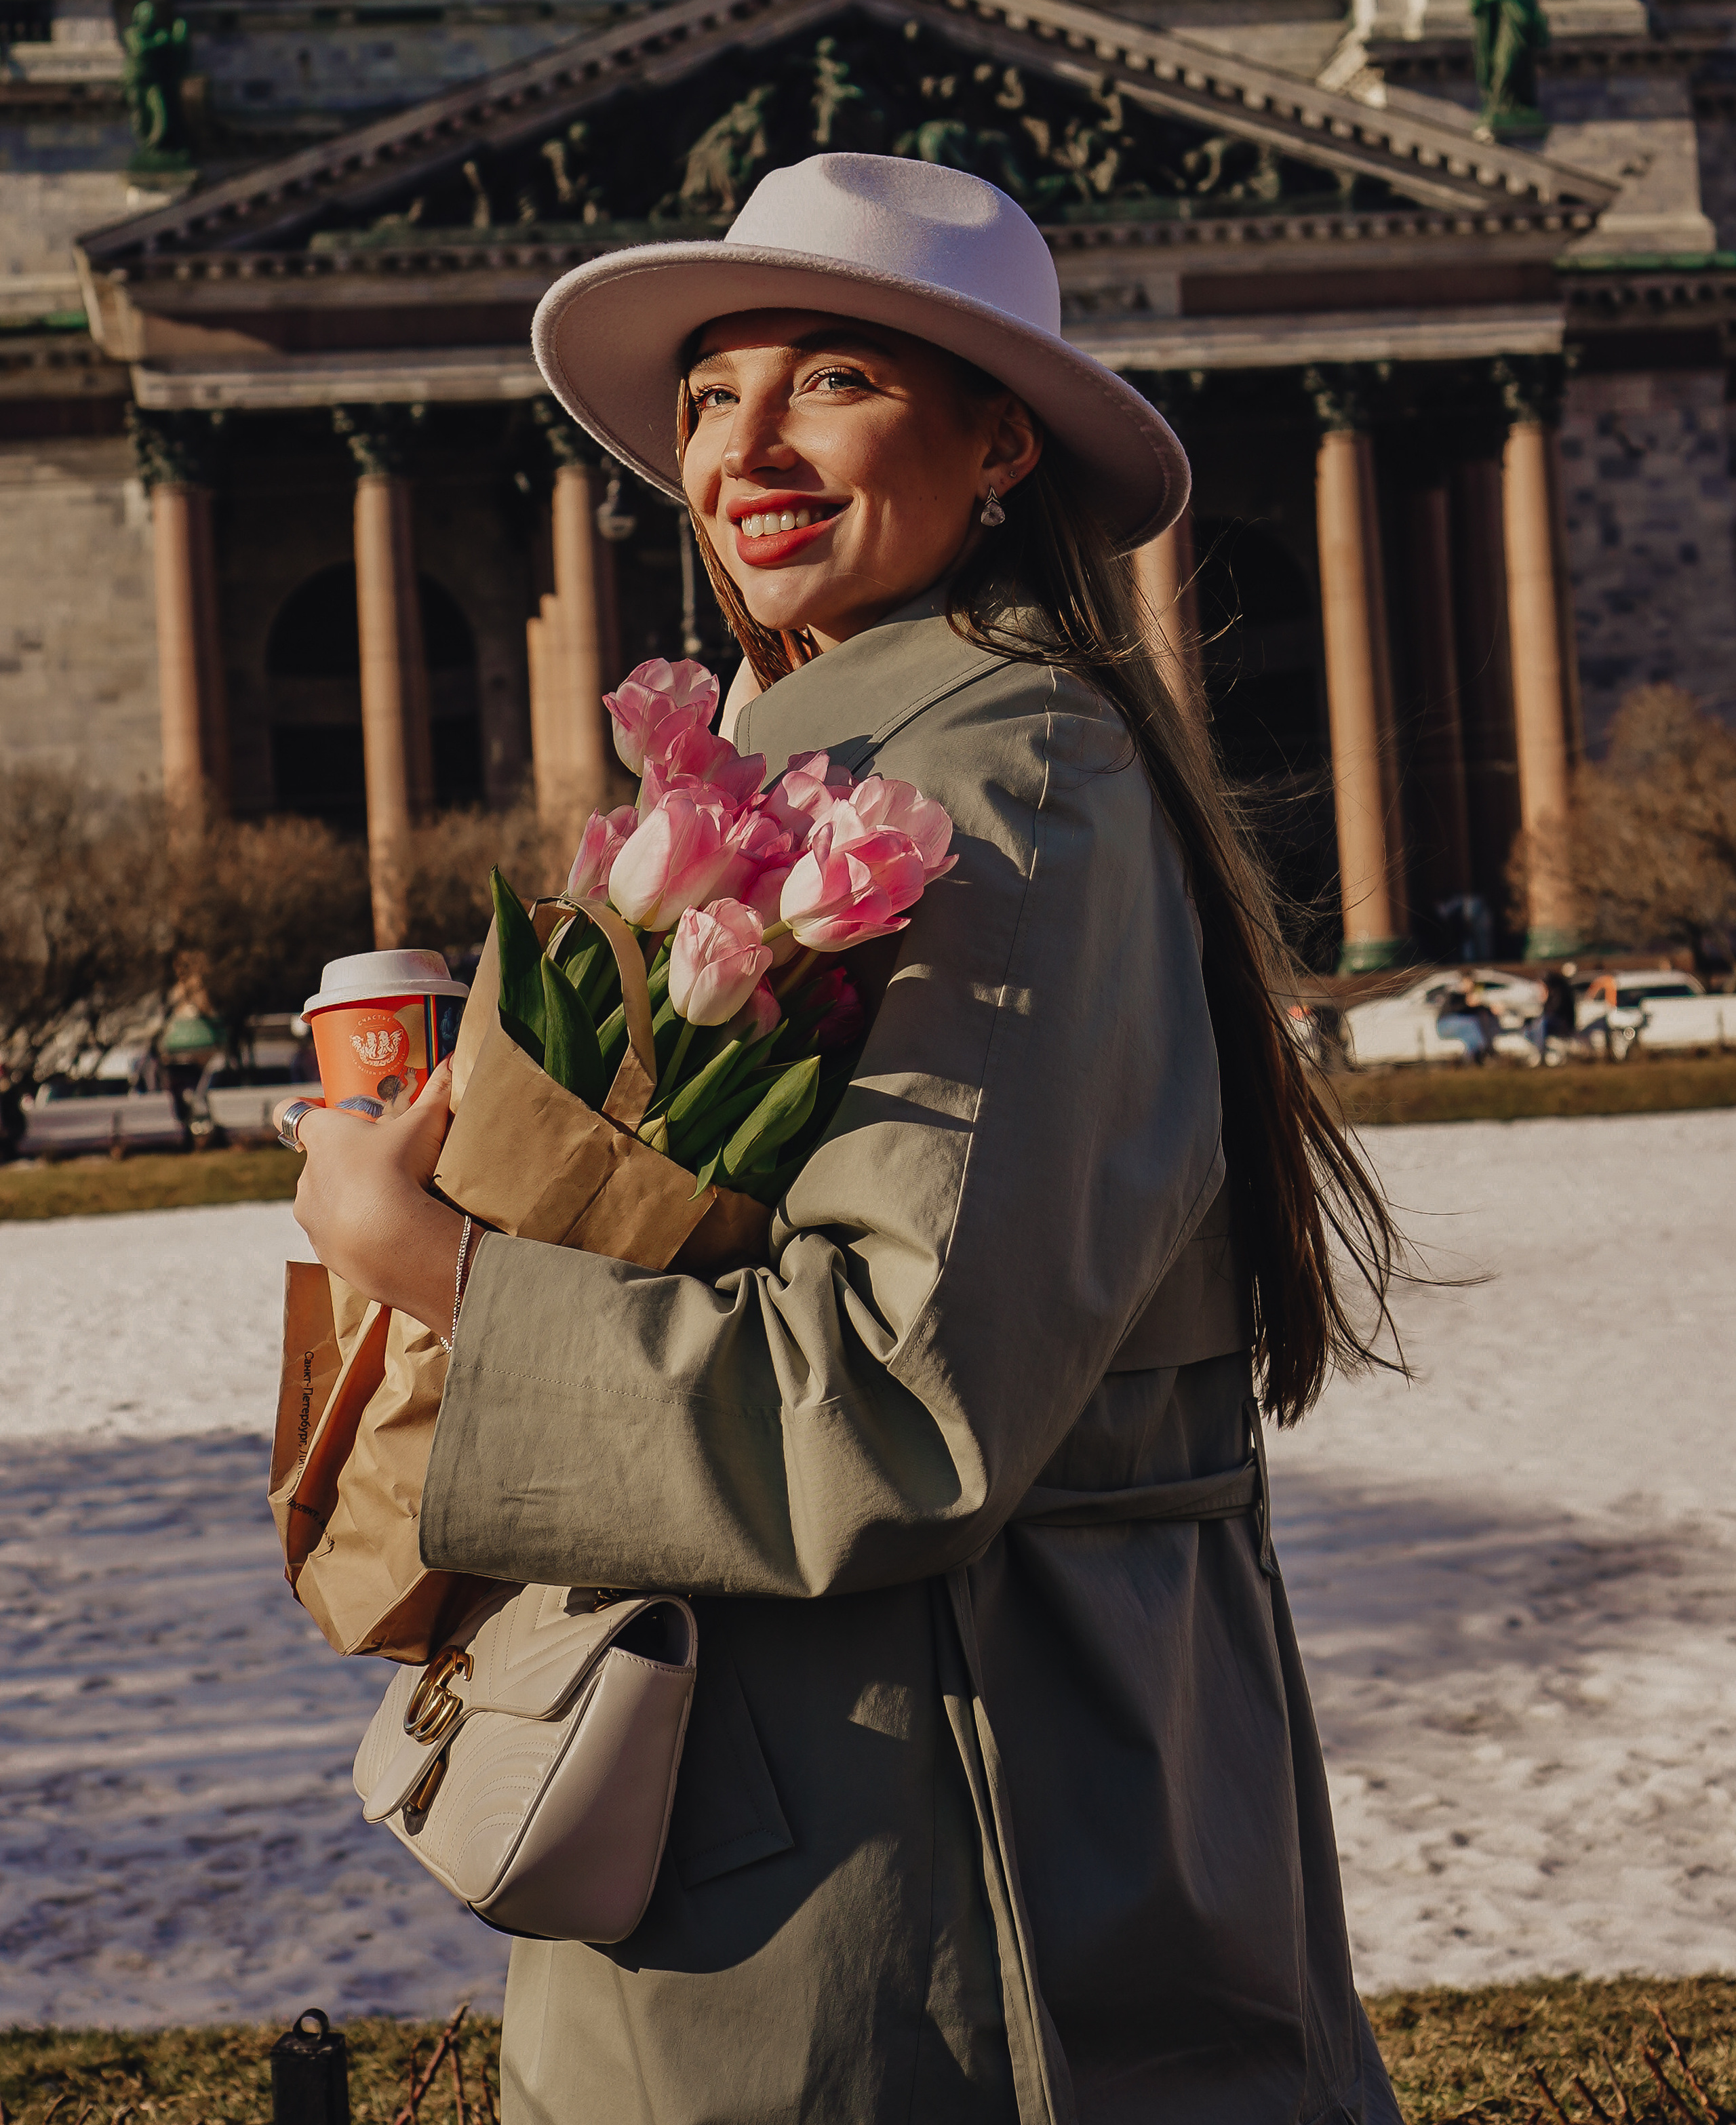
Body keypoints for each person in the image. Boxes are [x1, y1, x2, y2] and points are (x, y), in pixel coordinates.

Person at [285, 154, 1404, 2125]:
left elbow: (896, 1403)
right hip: (810, 1779)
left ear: (999, 442)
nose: (746, 446)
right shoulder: (834, 754)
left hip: (931, 1839)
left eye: (836, 378)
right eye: (713, 394)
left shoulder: (990, 779)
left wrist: (433, 1266)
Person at [1435, 972, 1499, 1066]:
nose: (1469, 986)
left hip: (1463, 1027)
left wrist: (1492, 1010)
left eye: (1470, 983)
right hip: (1445, 1025)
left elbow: (1481, 1010)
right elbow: (1453, 1009)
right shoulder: (1454, 995)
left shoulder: (1472, 997)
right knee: (1473, 1024)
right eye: (1466, 983)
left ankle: (1473, 1059)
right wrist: (1466, 1003)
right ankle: (1486, 1051)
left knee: (1470, 1037)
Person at [1525, 962, 1579, 1064]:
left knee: (1541, 1023)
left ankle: (1541, 1053)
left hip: (1561, 1024)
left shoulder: (1559, 994)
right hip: (1552, 1023)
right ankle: (1541, 1051)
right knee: (1528, 1030)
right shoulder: (1553, 994)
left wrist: (1544, 999)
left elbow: (1554, 1012)